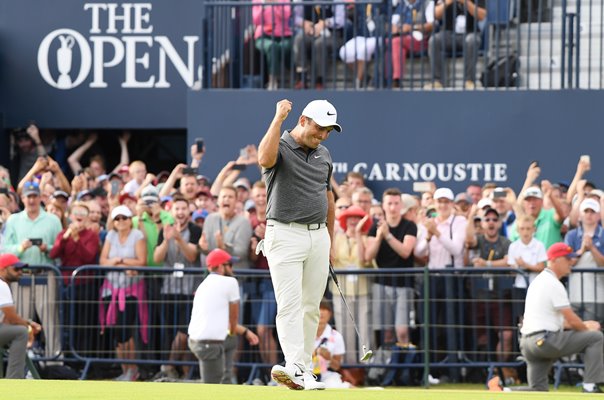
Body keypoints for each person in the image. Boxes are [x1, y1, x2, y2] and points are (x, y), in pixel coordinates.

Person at [257, 99, 341, 390]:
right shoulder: (279, 146)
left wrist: (329, 241)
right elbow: (264, 159)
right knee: (290, 304)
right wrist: (278, 119)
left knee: (311, 307)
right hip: (284, 233)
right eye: (320, 129)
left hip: (318, 236)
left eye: (329, 131)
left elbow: (328, 198)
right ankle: (294, 365)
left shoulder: (325, 154)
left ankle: (302, 368)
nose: (323, 136)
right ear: (303, 120)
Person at [518, 242, 604, 393]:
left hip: (527, 342)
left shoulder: (539, 281)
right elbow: (570, 319)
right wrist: (587, 328)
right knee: (595, 337)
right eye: (567, 258)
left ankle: (503, 391)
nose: (571, 261)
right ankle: (590, 386)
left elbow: (556, 321)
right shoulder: (553, 283)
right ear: (555, 260)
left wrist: (583, 324)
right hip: (544, 341)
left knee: (538, 390)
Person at [1, 180, 63, 361]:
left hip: (46, 274)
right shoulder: (14, 220)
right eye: (28, 196)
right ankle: (24, 360)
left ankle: (55, 360)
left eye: (35, 196)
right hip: (21, 276)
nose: (32, 200)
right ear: (22, 198)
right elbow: (5, 250)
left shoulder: (52, 220)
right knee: (21, 319)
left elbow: (59, 249)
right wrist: (21, 248)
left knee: (50, 318)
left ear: (40, 197)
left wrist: (47, 248)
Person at [152, 195, 201, 380]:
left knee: (184, 332)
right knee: (169, 332)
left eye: (183, 209)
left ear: (188, 211)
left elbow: (192, 256)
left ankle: (169, 367)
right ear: (172, 211)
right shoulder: (164, 230)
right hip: (168, 289)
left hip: (189, 290)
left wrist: (179, 239)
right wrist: (166, 240)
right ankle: (174, 370)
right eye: (177, 209)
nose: (180, 213)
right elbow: (157, 258)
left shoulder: (196, 230)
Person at [99, 205, 147, 381]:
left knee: (125, 330)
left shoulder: (138, 236)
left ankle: (132, 369)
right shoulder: (110, 236)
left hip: (131, 291)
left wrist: (118, 261)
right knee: (116, 331)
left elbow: (141, 261)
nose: (120, 221)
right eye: (117, 219)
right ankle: (124, 369)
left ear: (130, 220)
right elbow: (103, 261)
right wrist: (123, 262)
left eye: (124, 218)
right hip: (111, 289)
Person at [366, 188, 417, 346]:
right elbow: (368, 256)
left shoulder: (409, 226)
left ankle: (405, 367)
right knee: (386, 332)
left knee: (402, 330)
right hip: (381, 284)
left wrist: (388, 235)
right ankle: (389, 366)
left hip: (404, 285)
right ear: (383, 206)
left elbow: (406, 252)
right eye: (390, 203)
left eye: (396, 203)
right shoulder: (375, 227)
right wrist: (379, 237)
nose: (393, 207)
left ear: (401, 205)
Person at [187, 249, 240, 384]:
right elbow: (233, 317)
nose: (232, 269)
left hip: (196, 340)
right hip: (208, 344)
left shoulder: (204, 284)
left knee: (231, 342)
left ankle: (227, 380)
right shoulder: (230, 282)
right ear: (222, 266)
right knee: (212, 386)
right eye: (230, 265)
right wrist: (232, 332)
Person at [332, 204, 373, 363]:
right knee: (344, 330)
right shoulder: (337, 238)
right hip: (341, 291)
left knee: (364, 329)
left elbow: (365, 261)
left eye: (358, 218)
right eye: (351, 218)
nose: (354, 221)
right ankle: (349, 367)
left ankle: (367, 367)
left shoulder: (368, 239)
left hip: (362, 290)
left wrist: (357, 235)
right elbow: (332, 259)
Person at [426, 0, 487, 89]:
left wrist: (466, 2)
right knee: (434, 40)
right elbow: (435, 14)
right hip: (449, 34)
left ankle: (469, 81)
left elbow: (482, 16)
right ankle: (437, 81)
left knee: (472, 40)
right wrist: (448, 2)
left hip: (469, 33)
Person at [0, 253, 42, 379]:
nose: (20, 272)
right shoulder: (2, 285)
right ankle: (14, 379)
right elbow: (12, 318)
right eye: (16, 269)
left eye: (21, 269)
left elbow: (8, 319)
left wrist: (27, 323)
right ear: (2, 269)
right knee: (21, 332)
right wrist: (29, 326)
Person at [565, 198, 604, 323]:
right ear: (580, 215)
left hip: (597, 296)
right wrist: (581, 251)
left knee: (593, 334)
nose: (589, 214)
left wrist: (592, 248)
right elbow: (567, 262)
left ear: (598, 215)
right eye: (586, 211)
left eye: (592, 211)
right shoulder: (571, 235)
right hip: (574, 295)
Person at [293, 1, 347, 89]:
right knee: (299, 39)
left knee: (319, 43)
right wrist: (304, 23)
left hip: (332, 35)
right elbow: (295, 17)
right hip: (311, 32)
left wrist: (326, 23)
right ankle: (301, 78)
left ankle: (319, 81)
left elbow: (341, 20)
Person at [390, 0, 434, 88]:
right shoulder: (401, 4)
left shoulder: (428, 3)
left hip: (421, 39)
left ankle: (396, 80)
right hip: (403, 39)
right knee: (389, 42)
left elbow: (431, 25)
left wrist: (411, 28)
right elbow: (393, 23)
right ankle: (390, 79)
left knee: (396, 42)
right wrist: (395, 28)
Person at [252, 0, 293, 90]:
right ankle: (272, 81)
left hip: (283, 36)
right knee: (272, 47)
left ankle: (293, 80)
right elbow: (256, 20)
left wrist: (275, 3)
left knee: (284, 47)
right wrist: (263, 4)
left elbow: (285, 16)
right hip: (263, 36)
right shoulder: (258, 1)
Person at [311, 300, 351, 388]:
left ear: (330, 314)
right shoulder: (304, 333)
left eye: (324, 309)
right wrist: (314, 353)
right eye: (318, 308)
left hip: (326, 374)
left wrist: (329, 358)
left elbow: (337, 367)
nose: (321, 312)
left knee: (333, 386)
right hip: (306, 373)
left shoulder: (336, 336)